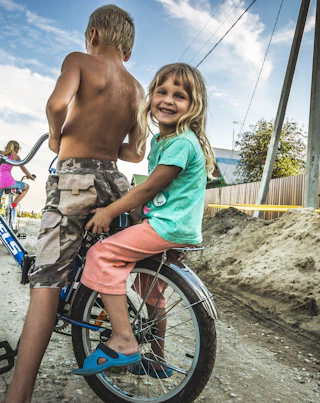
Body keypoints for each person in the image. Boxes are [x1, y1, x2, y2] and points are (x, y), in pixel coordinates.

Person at [3, 5, 144, 402]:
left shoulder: (79, 62)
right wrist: (104, 143)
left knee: (46, 281)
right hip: (115, 182)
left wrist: (56, 137)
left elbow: (56, 105)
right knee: (101, 258)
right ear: (128, 52)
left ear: (93, 36)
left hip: (74, 179)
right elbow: (136, 151)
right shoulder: (136, 88)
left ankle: (19, 391)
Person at [72, 63, 215, 377]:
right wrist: (133, 209)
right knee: (150, 288)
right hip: (168, 223)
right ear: (151, 98)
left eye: (179, 96)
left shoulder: (181, 142)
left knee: (101, 255)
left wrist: (111, 211)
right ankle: (159, 361)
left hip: (167, 226)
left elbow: (150, 187)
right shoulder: (163, 142)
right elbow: (153, 191)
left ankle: (123, 339)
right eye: (162, 92)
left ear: (194, 106)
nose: (167, 100)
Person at [0, 140, 34, 231]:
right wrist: (29, 176)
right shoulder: (16, 157)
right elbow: (23, 169)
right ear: (17, 149)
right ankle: (14, 203)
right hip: (9, 183)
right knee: (26, 187)